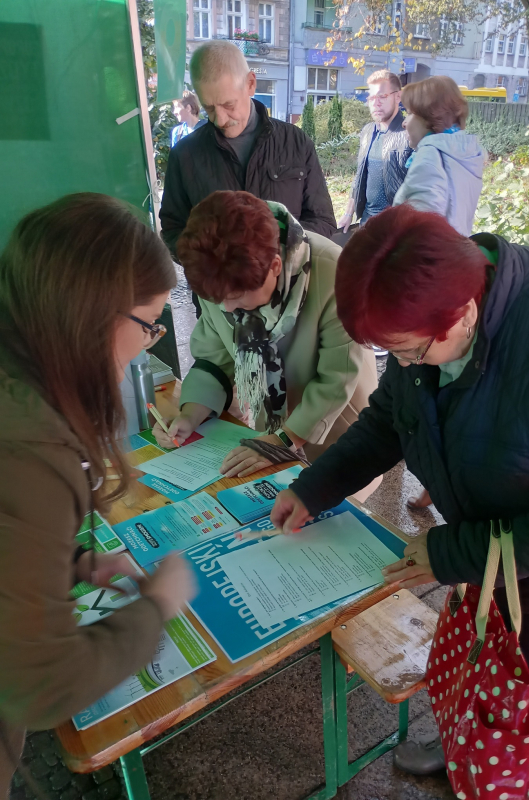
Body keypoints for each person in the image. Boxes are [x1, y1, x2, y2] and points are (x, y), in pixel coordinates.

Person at [271, 204, 529, 774]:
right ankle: (465, 754)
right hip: (490, 541)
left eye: (407, 350)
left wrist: (451, 553)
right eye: (390, 352)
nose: (401, 363)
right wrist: (315, 486)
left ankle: (509, 773)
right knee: (480, 661)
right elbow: (390, 419)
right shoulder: (421, 305)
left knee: (525, 683)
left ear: (463, 315)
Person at [0, 194, 196, 797]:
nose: (149, 344)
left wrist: (73, 561)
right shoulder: (33, 446)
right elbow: (42, 684)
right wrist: (155, 608)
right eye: (148, 326)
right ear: (93, 315)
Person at [152, 191, 378, 479]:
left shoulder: (335, 271)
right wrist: (190, 415)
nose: (227, 308)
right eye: (216, 299)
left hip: (333, 418)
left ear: (274, 267)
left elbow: (337, 377)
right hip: (272, 421)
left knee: (331, 502)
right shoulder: (217, 276)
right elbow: (214, 357)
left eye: (236, 297)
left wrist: (282, 441)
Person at [159, 40, 336, 263]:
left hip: (289, 291)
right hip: (219, 294)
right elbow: (173, 230)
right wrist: (210, 259)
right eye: (209, 108)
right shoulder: (184, 155)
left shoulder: (295, 142)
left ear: (251, 84)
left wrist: (275, 246)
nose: (220, 119)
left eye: (229, 105)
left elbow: (324, 221)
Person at [394, 74, 484, 508]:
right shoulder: (467, 149)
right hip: (459, 262)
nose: (403, 123)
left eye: (408, 115)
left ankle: (435, 477)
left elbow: (424, 212)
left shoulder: (430, 151)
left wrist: (391, 243)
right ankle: (438, 482)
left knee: (424, 377)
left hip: (427, 272)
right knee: (449, 379)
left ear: (426, 120)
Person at [393, 75, 484, 238]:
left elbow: (420, 234)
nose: (404, 123)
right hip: (455, 256)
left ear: (430, 117)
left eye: (410, 113)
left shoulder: (431, 156)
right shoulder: (462, 155)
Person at [338, 70, 412, 233]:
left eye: (382, 97)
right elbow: (359, 177)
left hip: (395, 231)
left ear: (397, 96)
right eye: (372, 98)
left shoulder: (410, 134)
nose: (376, 103)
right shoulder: (368, 131)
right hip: (366, 226)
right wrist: (348, 213)